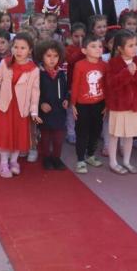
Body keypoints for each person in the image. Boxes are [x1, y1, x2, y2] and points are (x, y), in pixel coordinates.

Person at [0, 33, 40, 178]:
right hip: (5, 106)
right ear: (11, 47)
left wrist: (34, 112)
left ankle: (14, 161)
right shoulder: (5, 63)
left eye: (23, 48)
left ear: (30, 50)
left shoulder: (34, 69)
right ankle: (2, 163)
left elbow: (35, 92)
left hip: (21, 108)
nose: (18, 51)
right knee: (4, 136)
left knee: (18, 136)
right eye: (16, 47)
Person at [105, 30, 137, 175]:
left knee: (129, 135)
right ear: (120, 48)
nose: (135, 48)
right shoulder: (113, 63)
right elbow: (111, 84)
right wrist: (127, 73)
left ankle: (126, 161)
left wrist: (136, 72)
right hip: (118, 106)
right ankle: (113, 162)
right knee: (115, 134)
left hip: (134, 106)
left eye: (136, 45)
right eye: (130, 45)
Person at [70, 34, 106, 174]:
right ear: (84, 50)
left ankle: (90, 155)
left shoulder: (104, 65)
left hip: (99, 104)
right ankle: (80, 159)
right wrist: (73, 104)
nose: (98, 49)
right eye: (93, 46)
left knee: (96, 131)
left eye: (100, 46)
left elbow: (106, 85)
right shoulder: (80, 65)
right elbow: (75, 85)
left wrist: (107, 104)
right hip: (82, 105)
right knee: (82, 132)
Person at [35, 40, 69, 171]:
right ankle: (46, 158)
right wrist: (41, 103)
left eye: (55, 56)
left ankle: (57, 158)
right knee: (45, 138)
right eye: (48, 56)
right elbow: (35, 92)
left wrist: (66, 99)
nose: (52, 59)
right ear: (41, 56)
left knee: (58, 138)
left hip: (59, 111)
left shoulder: (61, 73)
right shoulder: (39, 73)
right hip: (45, 112)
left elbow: (66, 90)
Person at [65, 22, 86, 145]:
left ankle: (81, 132)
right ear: (71, 36)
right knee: (71, 110)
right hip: (71, 84)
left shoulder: (89, 48)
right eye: (76, 36)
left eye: (82, 36)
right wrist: (80, 50)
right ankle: (71, 133)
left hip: (84, 85)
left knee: (82, 111)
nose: (79, 39)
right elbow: (70, 60)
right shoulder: (68, 49)